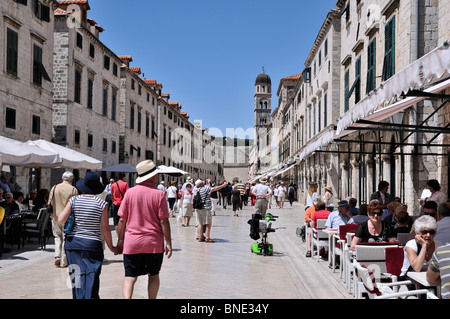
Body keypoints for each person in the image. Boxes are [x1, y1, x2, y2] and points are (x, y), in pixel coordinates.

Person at [116, 160, 172, 299]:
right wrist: (168, 242)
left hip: (132, 242)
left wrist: (121, 239)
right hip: (153, 243)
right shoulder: (159, 194)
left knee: (130, 276)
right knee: (153, 275)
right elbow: (164, 220)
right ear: (152, 176)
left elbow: (122, 219)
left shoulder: (129, 193)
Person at [58, 171, 119, 299]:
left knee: (77, 279)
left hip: (73, 244)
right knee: (92, 276)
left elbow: (61, 219)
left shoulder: (73, 200)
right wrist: (112, 247)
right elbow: (105, 229)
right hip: (92, 245)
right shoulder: (101, 204)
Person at [48, 171, 78, 268]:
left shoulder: (55, 187)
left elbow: (49, 202)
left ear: (62, 179)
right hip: (67, 218)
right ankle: (64, 261)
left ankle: (57, 256)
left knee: (57, 237)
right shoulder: (73, 189)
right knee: (66, 238)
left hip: (55, 216)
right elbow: (75, 205)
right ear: (71, 180)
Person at [399, 215, 437, 281]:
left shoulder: (438, 245)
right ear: (417, 233)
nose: (428, 235)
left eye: (431, 232)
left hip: (429, 280)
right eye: (424, 232)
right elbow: (417, 268)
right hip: (408, 281)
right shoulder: (411, 244)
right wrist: (424, 246)